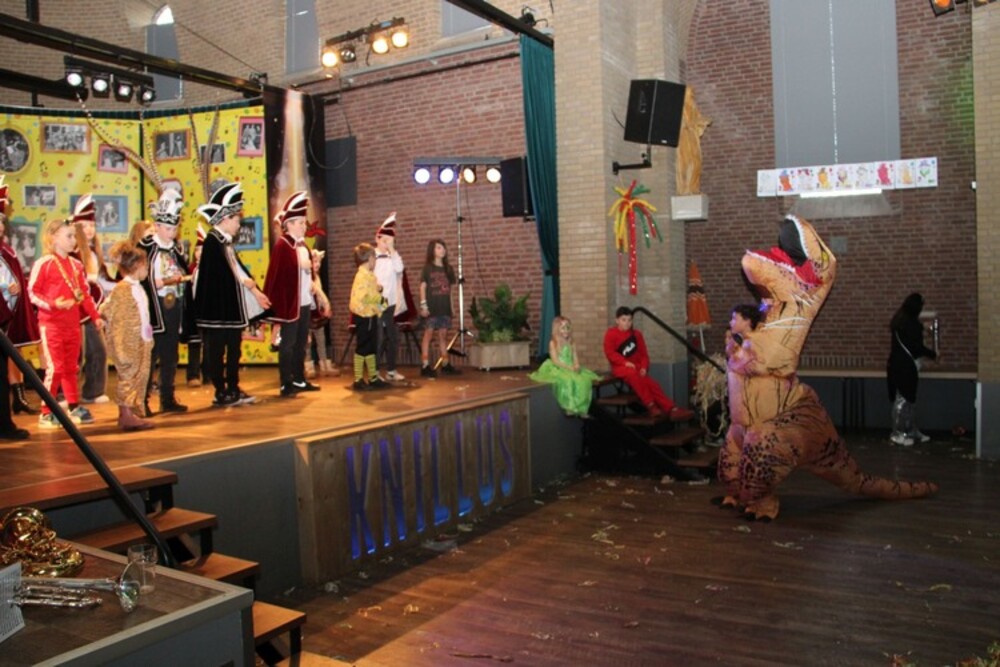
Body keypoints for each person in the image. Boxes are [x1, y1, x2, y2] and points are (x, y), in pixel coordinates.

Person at [192, 181, 271, 407]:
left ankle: (233, 387)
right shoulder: (213, 242)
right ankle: (221, 390)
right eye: (236, 220)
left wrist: (254, 290)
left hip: (230, 309)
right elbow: (223, 277)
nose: (238, 224)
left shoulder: (224, 243)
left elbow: (236, 271)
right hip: (218, 311)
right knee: (217, 351)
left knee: (234, 349)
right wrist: (247, 285)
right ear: (225, 219)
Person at [28, 212, 104, 428]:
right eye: (68, 236)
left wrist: (95, 317)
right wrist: (54, 304)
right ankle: (46, 412)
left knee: (71, 367)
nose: (73, 240)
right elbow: (32, 293)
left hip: (73, 326)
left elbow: (85, 295)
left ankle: (73, 406)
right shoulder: (44, 264)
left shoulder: (76, 265)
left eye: (74, 236)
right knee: (55, 368)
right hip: (51, 325)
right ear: (53, 237)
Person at [263, 191, 320, 397]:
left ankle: (299, 378)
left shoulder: (302, 245)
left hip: (303, 302)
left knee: (301, 343)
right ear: (289, 224)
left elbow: (307, 272)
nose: (304, 226)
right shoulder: (283, 245)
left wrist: (312, 283)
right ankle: (285, 382)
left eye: (304, 222)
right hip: (290, 304)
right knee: (287, 344)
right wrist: (299, 265)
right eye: (300, 223)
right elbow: (281, 274)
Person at [139, 188, 190, 414]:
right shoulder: (146, 247)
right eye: (168, 228)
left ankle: (167, 398)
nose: (172, 233)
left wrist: (181, 279)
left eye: (175, 228)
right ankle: (142, 400)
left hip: (173, 305)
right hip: (154, 307)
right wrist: (162, 281)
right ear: (157, 226)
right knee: (151, 354)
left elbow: (182, 268)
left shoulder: (175, 248)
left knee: (171, 353)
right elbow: (140, 276)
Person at [100, 241, 154, 431]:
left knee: (138, 376)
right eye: (146, 266)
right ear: (138, 266)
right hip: (129, 344)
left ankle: (131, 411)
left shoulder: (136, 287)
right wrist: (123, 346)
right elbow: (113, 314)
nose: (147, 270)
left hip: (141, 341)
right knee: (128, 377)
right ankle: (126, 414)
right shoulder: (123, 289)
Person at [603, 306, 693, 420]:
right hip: (620, 367)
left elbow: (644, 355)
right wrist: (624, 362)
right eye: (623, 320)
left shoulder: (636, 334)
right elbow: (610, 353)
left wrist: (644, 367)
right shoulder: (611, 334)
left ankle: (672, 409)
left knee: (653, 385)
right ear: (617, 320)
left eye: (629, 320)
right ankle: (650, 405)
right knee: (633, 374)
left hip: (636, 368)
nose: (627, 323)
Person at [0, 176, 41, 419]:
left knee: (16, 353)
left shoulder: (6, 249)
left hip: (8, 311)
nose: (1, 226)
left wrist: (13, 289)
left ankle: (18, 397)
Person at [71, 199, 111, 405]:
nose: (89, 230)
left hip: (92, 310)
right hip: (76, 311)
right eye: (85, 225)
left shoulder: (94, 253)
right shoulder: (73, 253)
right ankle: (63, 394)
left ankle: (93, 391)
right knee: (75, 354)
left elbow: (103, 281)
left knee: (98, 350)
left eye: (92, 225)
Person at [887, 292, 937, 446]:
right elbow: (916, 347)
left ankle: (909, 430)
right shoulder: (911, 323)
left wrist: (922, 327)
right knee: (904, 400)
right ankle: (899, 433)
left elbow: (909, 334)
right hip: (905, 366)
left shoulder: (900, 320)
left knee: (906, 399)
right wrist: (933, 354)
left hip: (896, 364)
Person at [529, 316, 599, 417]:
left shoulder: (571, 342)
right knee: (567, 380)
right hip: (559, 367)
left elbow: (574, 356)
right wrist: (569, 368)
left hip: (570, 366)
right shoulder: (553, 343)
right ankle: (569, 407)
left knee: (583, 381)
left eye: (568, 327)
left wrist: (576, 365)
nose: (566, 330)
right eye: (563, 328)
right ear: (557, 329)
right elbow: (556, 361)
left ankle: (581, 408)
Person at [349, 242, 389, 391]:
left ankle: (373, 377)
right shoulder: (362, 276)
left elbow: (370, 291)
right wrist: (380, 300)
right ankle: (358, 379)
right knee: (363, 347)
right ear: (370, 258)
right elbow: (363, 297)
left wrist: (378, 289)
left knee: (371, 347)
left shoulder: (369, 276)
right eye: (375, 258)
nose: (375, 261)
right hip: (364, 316)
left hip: (370, 315)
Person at [418, 239, 460, 378]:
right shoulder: (427, 268)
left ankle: (445, 363)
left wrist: (452, 307)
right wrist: (423, 306)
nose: (443, 250)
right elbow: (422, 287)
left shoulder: (449, 269)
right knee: (428, 334)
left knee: (443, 335)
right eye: (439, 248)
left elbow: (450, 290)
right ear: (432, 250)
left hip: (444, 307)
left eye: (443, 247)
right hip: (431, 307)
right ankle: (425, 365)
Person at [373, 213, 406, 382]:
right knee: (378, 337)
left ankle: (391, 370)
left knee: (393, 337)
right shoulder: (372, 256)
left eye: (390, 240)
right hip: (378, 301)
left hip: (391, 302)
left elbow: (399, 269)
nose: (386, 243)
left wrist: (392, 250)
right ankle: (375, 371)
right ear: (377, 239)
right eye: (384, 240)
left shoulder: (394, 256)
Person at [183, 225, 208, 387]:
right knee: (194, 343)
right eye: (197, 250)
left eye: (202, 250)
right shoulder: (190, 269)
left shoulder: (211, 268)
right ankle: (193, 375)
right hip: (193, 311)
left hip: (207, 310)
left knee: (209, 345)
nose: (199, 253)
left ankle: (209, 373)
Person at [307, 248, 337, 377]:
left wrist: (324, 307)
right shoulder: (307, 277)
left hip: (317, 312)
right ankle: (308, 367)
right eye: (315, 261)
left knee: (321, 339)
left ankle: (324, 364)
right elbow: (318, 292)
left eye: (319, 262)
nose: (318, 264)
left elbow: (319, 293)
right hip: (307, 313)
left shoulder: (317, 277)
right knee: (307, 342)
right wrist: (327, 304)